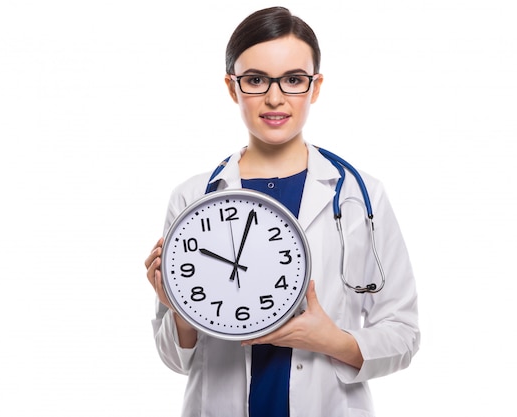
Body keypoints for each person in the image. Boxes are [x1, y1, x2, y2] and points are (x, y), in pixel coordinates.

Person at [144, 6, 420, 417]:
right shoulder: (193, 199)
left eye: (293, 80)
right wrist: (179, 310)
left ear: (315, 86)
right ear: (233, 87)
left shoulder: (359, 197)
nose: (275, 98)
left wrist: (330, 340)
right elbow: (173, 357)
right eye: (256, 80)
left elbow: (403, 333)